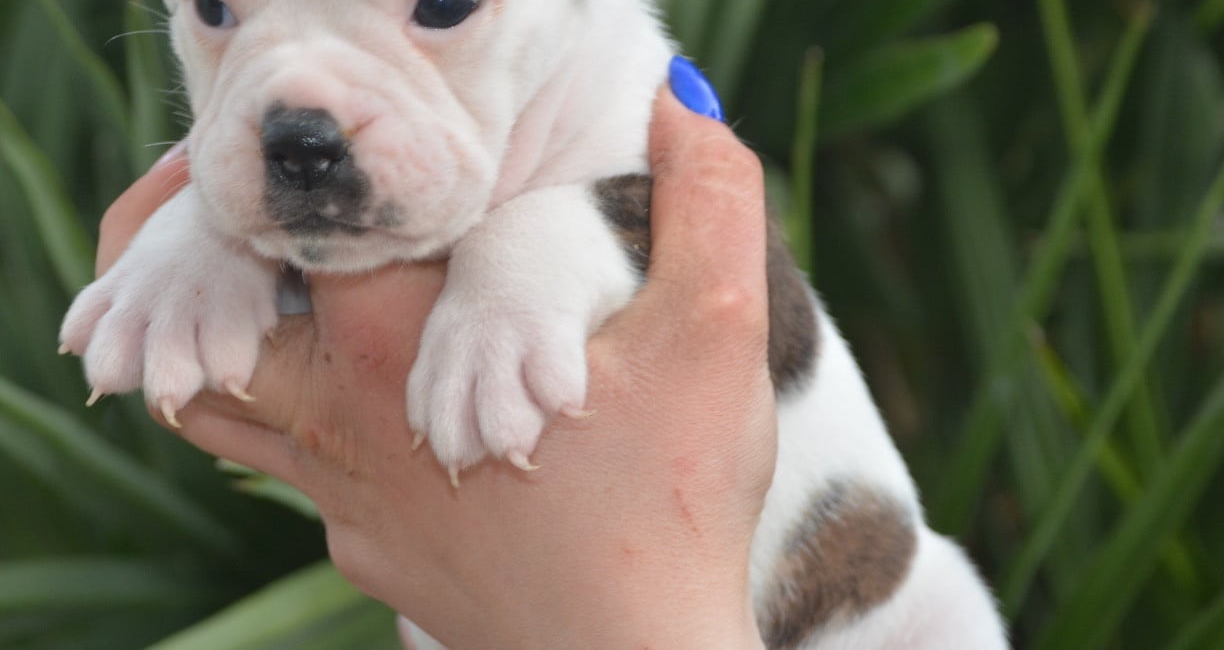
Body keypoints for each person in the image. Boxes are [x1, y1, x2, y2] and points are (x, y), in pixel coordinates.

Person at [94, 85, 777, 649]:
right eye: (217, 12)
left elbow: (630, 219)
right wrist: (207, 234)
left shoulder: (596, 88)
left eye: (441, 7)